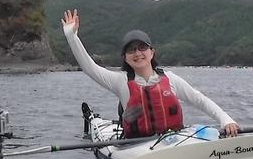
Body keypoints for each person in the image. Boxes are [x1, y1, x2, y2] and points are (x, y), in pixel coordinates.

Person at [61, 9, 241, 138]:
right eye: (131, 50)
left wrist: (225, 120)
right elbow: (89, 68)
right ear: (125, 58)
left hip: (171, 140)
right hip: (135, 146)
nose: (138, 53)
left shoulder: (170, 79)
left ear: (152, 52)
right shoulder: (120, 81)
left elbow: (199, 99)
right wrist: (72, 36)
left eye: (142, 48)